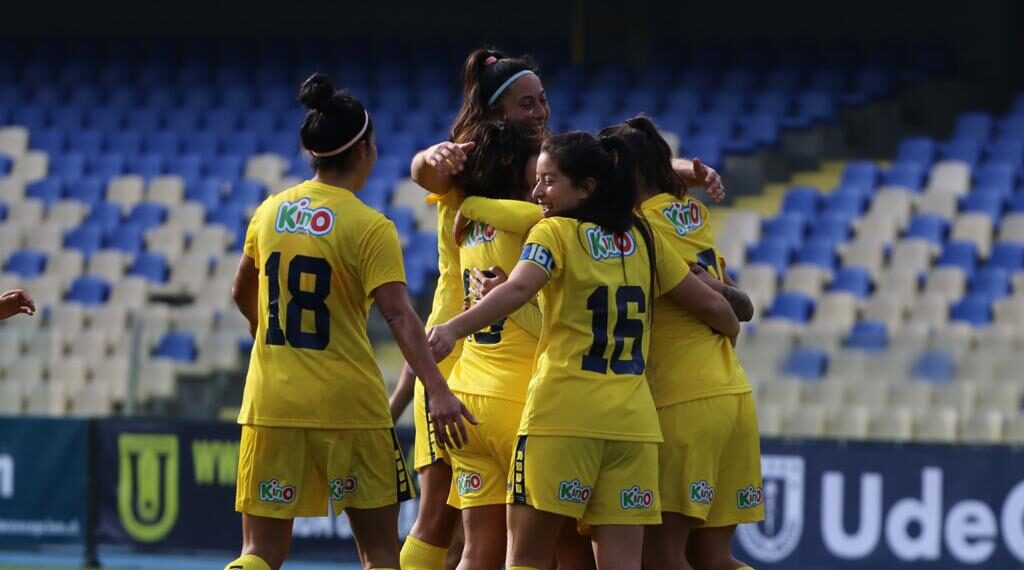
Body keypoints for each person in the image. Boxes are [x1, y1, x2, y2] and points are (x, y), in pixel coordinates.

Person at [395, 47, 729, 570]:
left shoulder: (486, 199)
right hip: (564, 399)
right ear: (496, 112)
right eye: (527, 104)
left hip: (479, 377)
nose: (541, 112)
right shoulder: (575, 224)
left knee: (465, 534)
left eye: (543, 100)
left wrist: (469, 207)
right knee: (541, 545)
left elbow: (446, 192)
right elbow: (425, 172)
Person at [226, 73, 473, 570]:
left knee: (258, 553)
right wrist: (438, 390)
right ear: (364, 150)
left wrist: (265, 337)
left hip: (271, 399)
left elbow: (240, 291)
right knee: (379, 553)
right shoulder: (370, 226)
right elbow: (400, 316)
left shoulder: (269, 212)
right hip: (350, 407)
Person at [600, 116, 762, 570]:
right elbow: (733, 299)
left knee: (661, 556)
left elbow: (720, 307)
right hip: (731, 392)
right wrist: (727, 316)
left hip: (681, 400)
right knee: (713, 558)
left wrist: (724, 315)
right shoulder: (694, 214)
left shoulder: (637, 231)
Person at [444, 121, 544, 570]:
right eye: (537, 167)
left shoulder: (468, 227)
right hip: (519, 403)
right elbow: (541, 216)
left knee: (477, 550)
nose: (542, 180)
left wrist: (471, 202)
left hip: (469, 399)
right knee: (541, 554)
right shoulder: (530, 224)